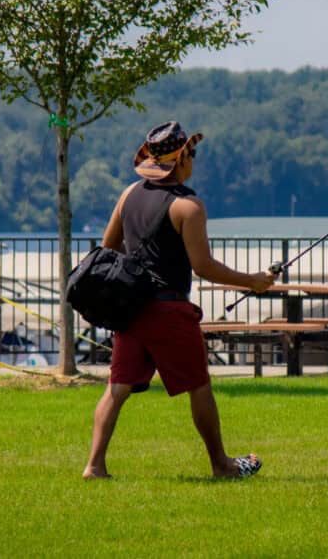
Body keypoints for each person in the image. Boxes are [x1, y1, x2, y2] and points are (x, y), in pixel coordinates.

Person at [82, 121, 276, 480]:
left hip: (130, 309)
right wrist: (253, 281)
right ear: (182, 158)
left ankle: (94, 466)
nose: (194, 159)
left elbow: (108, 249)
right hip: (169, 310)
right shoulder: (189, 207)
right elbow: (202, 266)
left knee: (117, 388)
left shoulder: (128, 195)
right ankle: (221, 466)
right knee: (199, 386)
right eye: (192, 152)